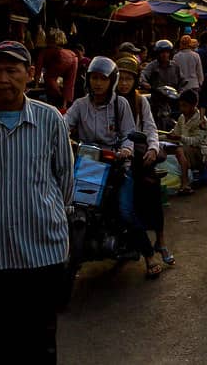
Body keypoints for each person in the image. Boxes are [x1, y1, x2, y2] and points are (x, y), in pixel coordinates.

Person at [0, 41, 73, 364]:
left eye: (12, 70)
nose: (4, 79)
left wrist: (38, 209)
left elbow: (64, 179)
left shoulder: (51, 120)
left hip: (42, 251)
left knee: (41, 341)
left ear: (31, 74)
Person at [65, 56, 163, 278]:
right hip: (88, 165)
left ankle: (149, 255)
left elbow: (130, 135)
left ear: (112, 81)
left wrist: (126, 149)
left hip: (117, 165)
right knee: (72, 206)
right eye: (94, 78)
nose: (97, 83)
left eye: (103, 79)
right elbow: (64, 125)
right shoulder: (80, 105)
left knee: (125, 211)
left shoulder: (121, 105)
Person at [114, 56, 178, 264]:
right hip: (112, 157)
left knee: (151, 192)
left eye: (128, 79)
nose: (123, 83)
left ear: (134, 81)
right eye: (120, 78)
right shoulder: (106, 102)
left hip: (139, 157)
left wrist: (152, 148)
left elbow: (150, 128)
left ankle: (160, 241)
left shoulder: (140, 102)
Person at [173, 89, 207, 199]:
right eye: (181, 106)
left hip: (199, 153)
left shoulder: (201, 120)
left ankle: (185, 183)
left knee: (179, 150)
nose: (182, 109)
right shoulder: (182, 118)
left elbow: (197, 141)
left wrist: (179, 138)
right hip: (185, 149)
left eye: (185, 106)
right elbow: (175, 133)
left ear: (194, 105)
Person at [36, 33, 77, 110]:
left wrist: (36, 85)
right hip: (73, 57)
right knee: (69, 83)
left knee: (48, 77)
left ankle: (59, 99)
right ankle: (64, 105)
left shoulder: (44, 51)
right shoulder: (61, 50)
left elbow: (38, 70)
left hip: (62, 57)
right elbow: (69, 84)